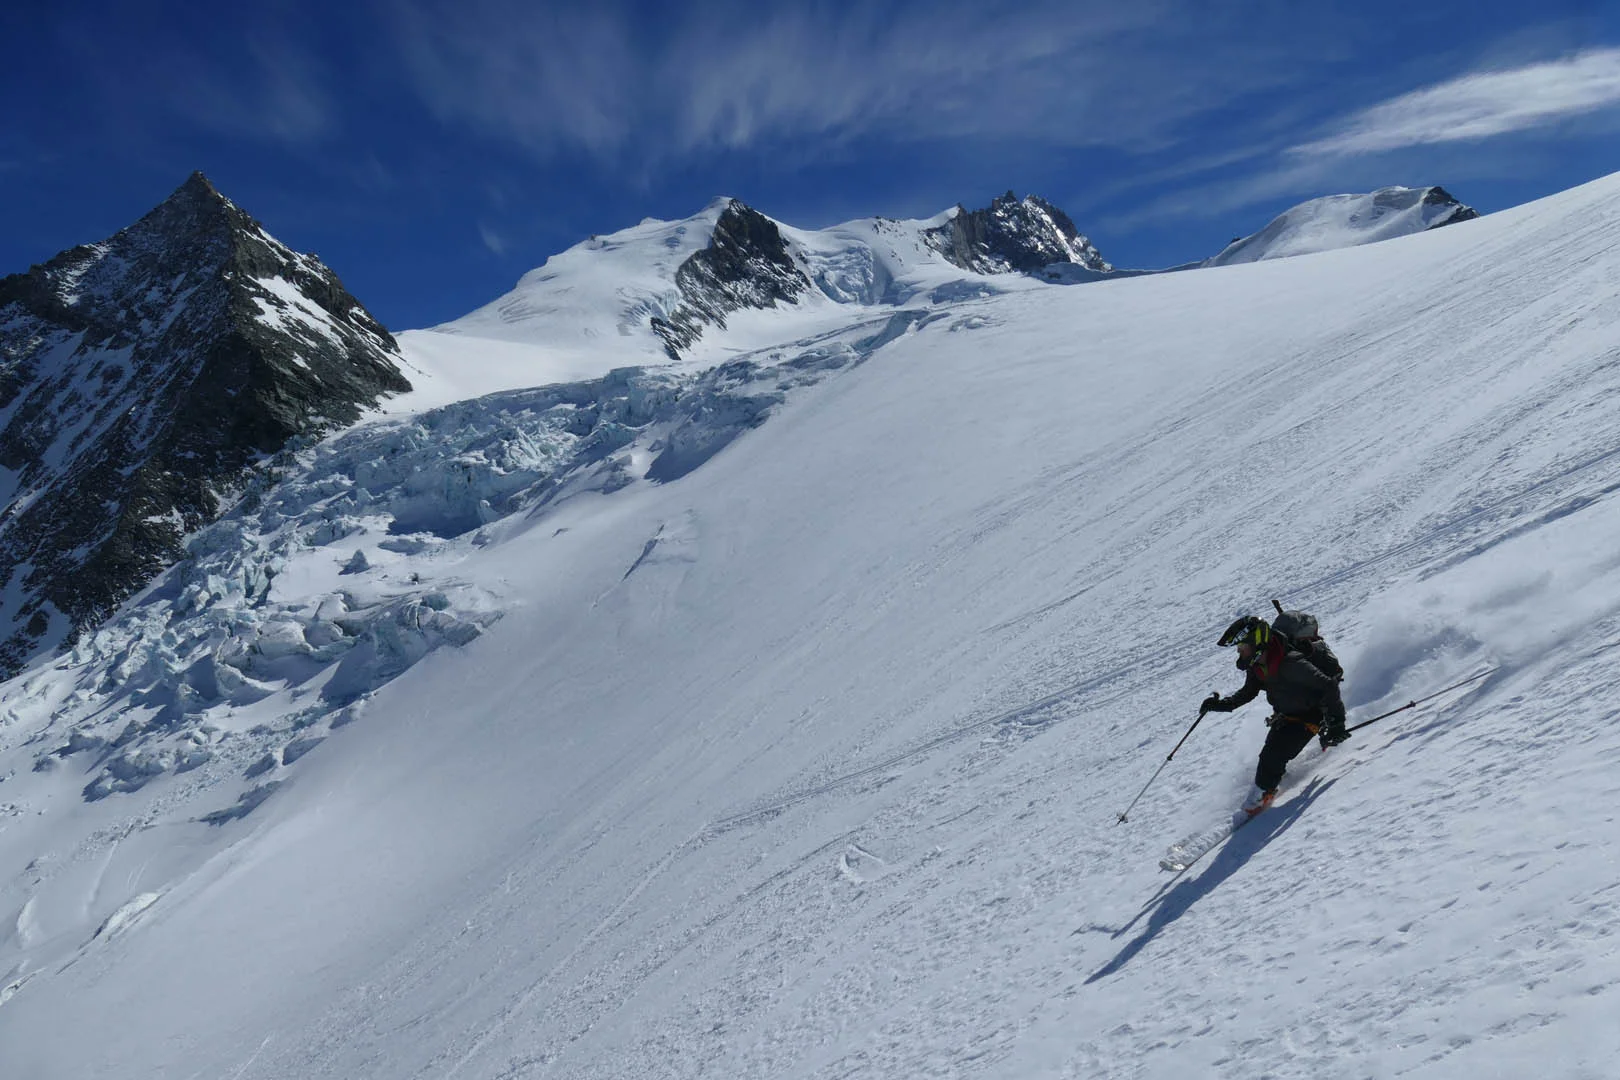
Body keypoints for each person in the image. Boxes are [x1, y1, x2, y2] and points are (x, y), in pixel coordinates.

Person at [1198, 615, 1350, 815]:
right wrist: (1221, 705)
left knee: (1273, 755)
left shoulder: (1291, 663)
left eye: (1243, 648)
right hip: (1286, 715)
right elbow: (1248, 692)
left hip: (1311, 716)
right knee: (1270, 754)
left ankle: (1264, 794)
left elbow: (1328, 686)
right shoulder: (1259, 665)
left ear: (1256, 643)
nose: (1240, 653)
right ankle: (1268, 785)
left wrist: (1336, 723)